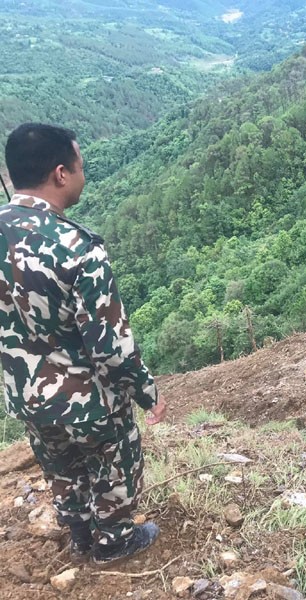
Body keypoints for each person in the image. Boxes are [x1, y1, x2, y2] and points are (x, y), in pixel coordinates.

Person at [0, 123, 166, 564]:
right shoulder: (78, 248)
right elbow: (111, 348)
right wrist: (147, 393)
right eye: (80, 166)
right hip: (88, 399)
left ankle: (80, 536)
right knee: (115, 460)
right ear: (61, 173)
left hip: (27, 396)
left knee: (61, 467)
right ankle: (114, 541)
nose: (83, 175)